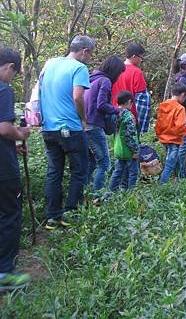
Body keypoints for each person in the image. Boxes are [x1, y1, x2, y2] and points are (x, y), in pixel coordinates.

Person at [40, 35, 94, 229]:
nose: (90, 58)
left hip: (49, 128)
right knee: (79, 171)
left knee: (54, 172)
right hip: (70, 128)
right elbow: (78, 96)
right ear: (84, 51)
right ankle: (71, 213)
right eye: (90, 54)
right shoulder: (79, 68)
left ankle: (53, 216)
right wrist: (83, 119)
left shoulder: (50, 63)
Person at [0, 48, 32, 290]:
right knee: (10, 214)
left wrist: (13, 147)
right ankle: (4, 273)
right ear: (9, 66)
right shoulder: (3, 90)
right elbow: (4, 128)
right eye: (14, 72)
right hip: (3, 169)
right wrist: (21, 133)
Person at [84, 56, 125, 194]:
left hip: (84, 125)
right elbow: (101, 105)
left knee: (91, 162)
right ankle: (98, 195)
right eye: (119, 73)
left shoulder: (92, 79)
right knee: (104, 164)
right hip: (94, 125)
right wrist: (117, 110)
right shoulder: (105, 81)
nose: (119, 77)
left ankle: (83, 193)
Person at [111, 42, 151, 135]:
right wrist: (141, 126)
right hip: (130, 119)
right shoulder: (137, 73)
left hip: (114, 116)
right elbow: (142, 102)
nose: (141, 60)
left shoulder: (115, 70)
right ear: (134, 56)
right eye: (141, 57)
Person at [156, 83, 186, 184]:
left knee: (175, 159)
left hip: (164, 138)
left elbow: (158, 123)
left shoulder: (163, 105)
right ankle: (162, 184)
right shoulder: (180, 108)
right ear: (182, 95)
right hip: (174, 139)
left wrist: (160, 134)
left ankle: (180, 179)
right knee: (170, 164)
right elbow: (180, 126)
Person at [109, 91, 140, 191]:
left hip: (118, 148)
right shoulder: (128, 117)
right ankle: (131, 193)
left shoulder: (114, 115)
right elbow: (130, 135)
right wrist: (135, 150)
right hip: (128, 150)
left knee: (117, 171)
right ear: (129, 102)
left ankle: (112, 191)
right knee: (133, 172)